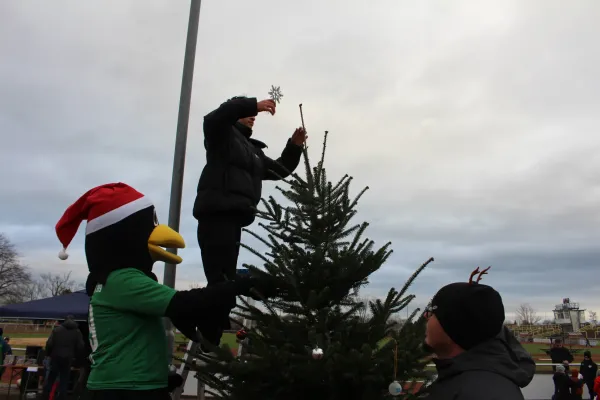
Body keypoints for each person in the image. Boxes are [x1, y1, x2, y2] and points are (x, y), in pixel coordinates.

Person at [55, 182, 279, 400]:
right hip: (127, 389)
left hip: (130, 383)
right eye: (146, 229)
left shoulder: (111, 281)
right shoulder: (123, 279)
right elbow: (184, 303)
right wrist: (241, 285)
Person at [192, 95, 306, 348]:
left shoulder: (253, 151)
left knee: (225, 278)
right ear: (236, 113)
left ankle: (214, 329)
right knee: (220, 278)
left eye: (253, 114)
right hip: (216, 214)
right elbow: (215, 116)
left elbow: (278, 169)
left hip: (235, 218)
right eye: (248, 114)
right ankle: (208, 331)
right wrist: (253, 103)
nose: (253, 117)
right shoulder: (221, 135)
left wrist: (294, 146)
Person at [419, 267, 535, 400]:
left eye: (432, 310)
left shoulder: (478, 392)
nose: (426, 316)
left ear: (455, 324)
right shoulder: (475, 382)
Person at [42, 315, 85, 400]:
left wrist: (48, 354)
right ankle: (62, 397)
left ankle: (45, 396)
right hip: (68, 358)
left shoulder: (57, 330)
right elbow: (81, 346)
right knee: (64, 379)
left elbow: (49, 344)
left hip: (55, 357)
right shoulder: (77, 331)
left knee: (51, 378)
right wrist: (76, 356)